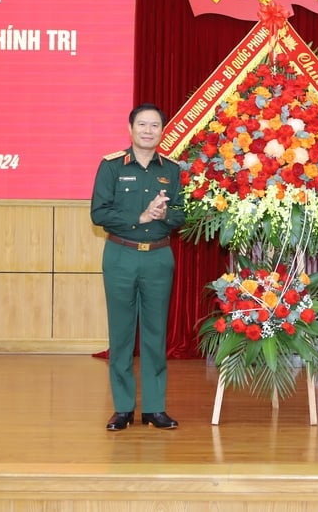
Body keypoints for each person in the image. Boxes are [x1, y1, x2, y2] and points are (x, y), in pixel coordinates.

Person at [90, 103, 185, 431]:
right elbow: (99, 213)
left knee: (155, 334)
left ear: (162, 131)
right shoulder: (112, 166)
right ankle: (123, 408)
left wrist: (164, 216)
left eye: (154, 125)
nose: (148, 130)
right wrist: (140, 217)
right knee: (120, 334)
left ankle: (156, 408)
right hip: (121, 256)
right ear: (130, 129)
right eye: (142, 124)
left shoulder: (171, 169)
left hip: (158, 257)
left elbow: (183, 214)